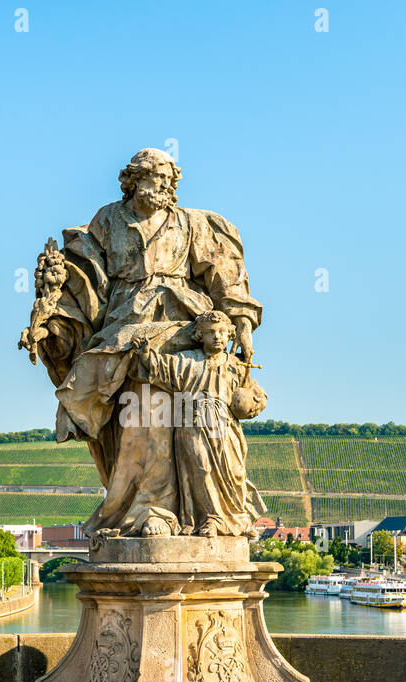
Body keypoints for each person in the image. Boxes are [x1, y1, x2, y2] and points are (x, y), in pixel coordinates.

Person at [19, 149, 264, 537]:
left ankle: (201, 512)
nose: (164, 187)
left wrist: (244, 324)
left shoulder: (190, 223)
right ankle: (148, 508)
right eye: (155, 178)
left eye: (169, 180)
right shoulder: (107, 221)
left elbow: (223, 274)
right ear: (132, 181)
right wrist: (51, 315)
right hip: (127, 328)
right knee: (142, 416)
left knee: (191, 419)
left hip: (183, 324)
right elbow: (82, 282)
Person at [130, 311, 267, 537]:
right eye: (211, 332)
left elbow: (256, 395)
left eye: (223, 332)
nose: (217, 337)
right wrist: (146, 354)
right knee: (201, 470)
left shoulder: (236, 365)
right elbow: (162, 368)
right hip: (193, 424)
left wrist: (255, 401)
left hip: (226, 428)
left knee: (234, 472)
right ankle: (210, 519)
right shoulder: (188, 360)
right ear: (199, 335)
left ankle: (237, 519)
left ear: (230, 335)